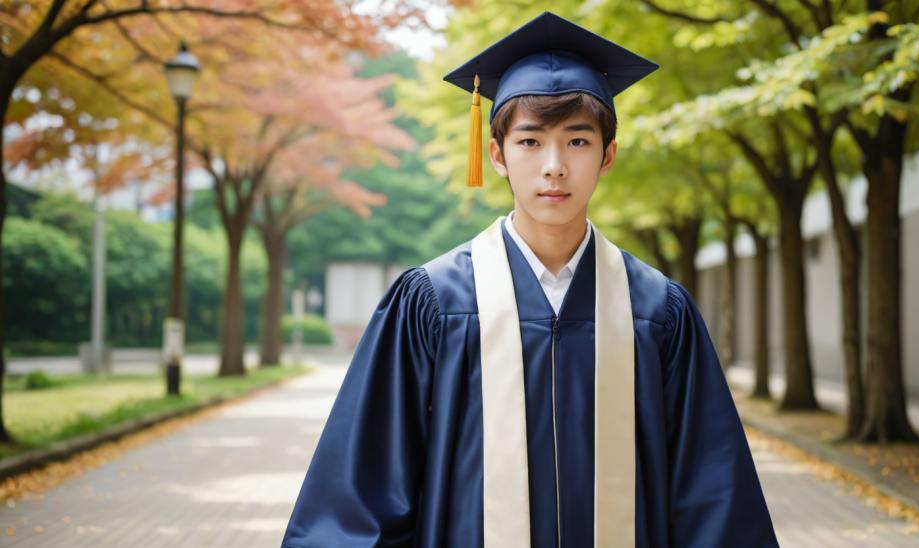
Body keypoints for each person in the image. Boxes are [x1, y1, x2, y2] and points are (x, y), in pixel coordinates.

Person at [282, 11, 778, 548]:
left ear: (608, 156)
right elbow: (364, 492)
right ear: (496, 154)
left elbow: (712, 496)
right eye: (530, 142)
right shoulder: (435, 303)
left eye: (578, 142)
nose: (554, 166)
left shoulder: (657, 312)